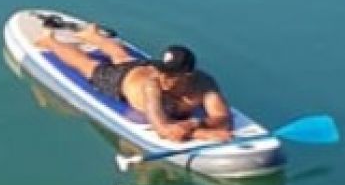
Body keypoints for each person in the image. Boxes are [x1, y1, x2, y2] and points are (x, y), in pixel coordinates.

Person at [36, 22, 233, 142]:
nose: (162, 77)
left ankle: (91, 35)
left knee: (122, 57)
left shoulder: (204, 83)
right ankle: (49, 41)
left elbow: (223, 116)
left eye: (170, 75)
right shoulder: (153, 85)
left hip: (139, 69)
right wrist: (204, 133)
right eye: (161, 70)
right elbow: (163, 129)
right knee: (86, 65)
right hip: (123, 81)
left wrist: (193, 123)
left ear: (188, 76)